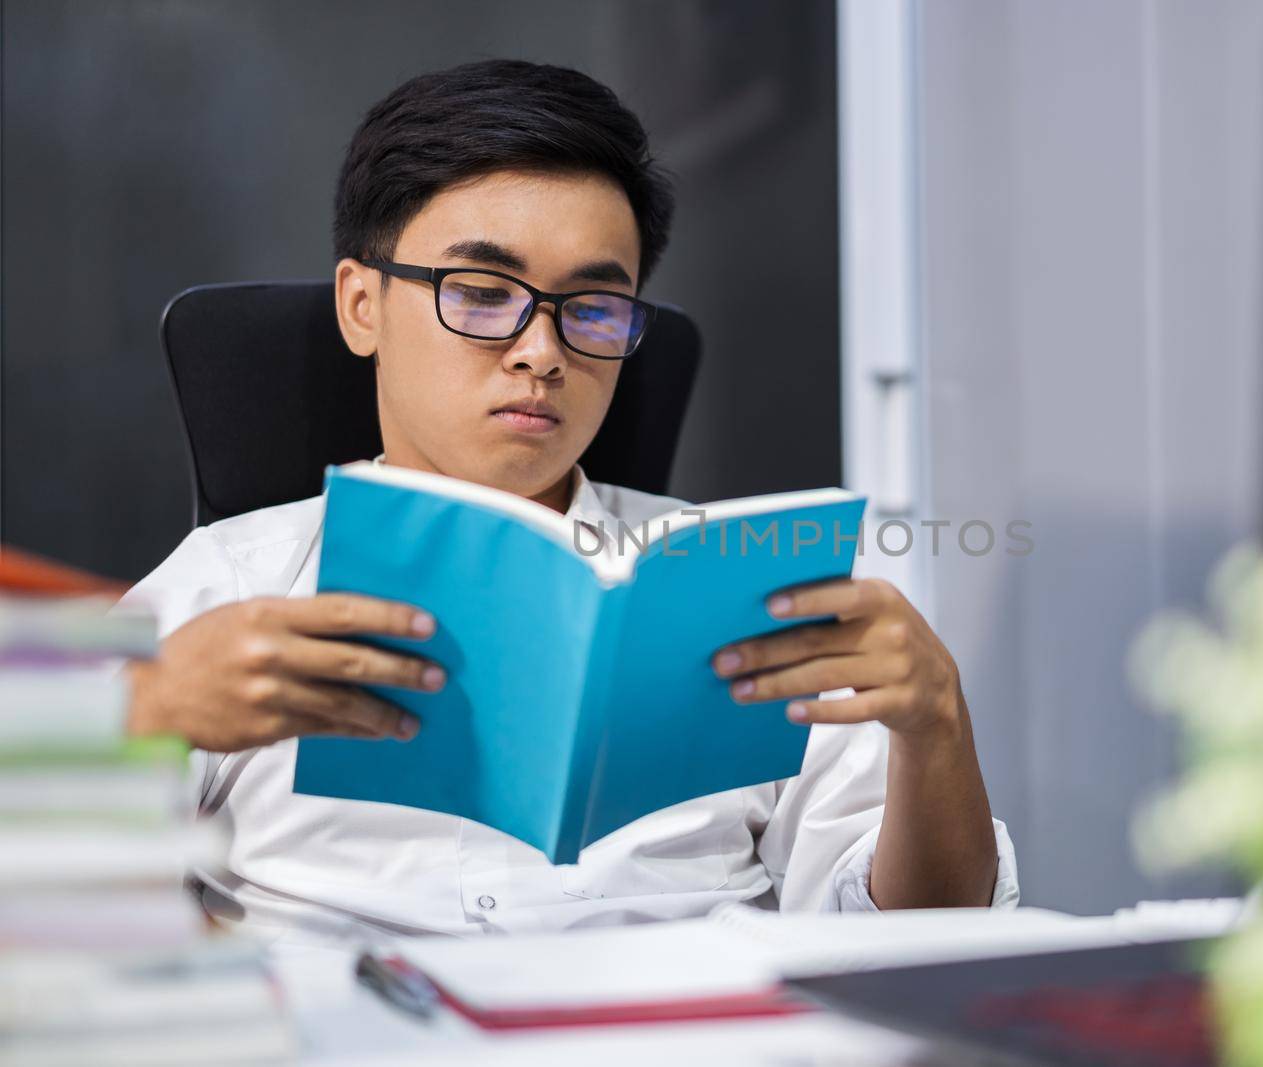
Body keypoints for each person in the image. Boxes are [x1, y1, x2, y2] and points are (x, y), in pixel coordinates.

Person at [119, 59, 1018, 944]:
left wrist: (936, 727)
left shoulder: (739, 587)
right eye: (481, 293)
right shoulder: (234, 585)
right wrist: (147, 714)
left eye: (592, 306)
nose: (541, 351)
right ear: (363, 305)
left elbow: (921, 939)